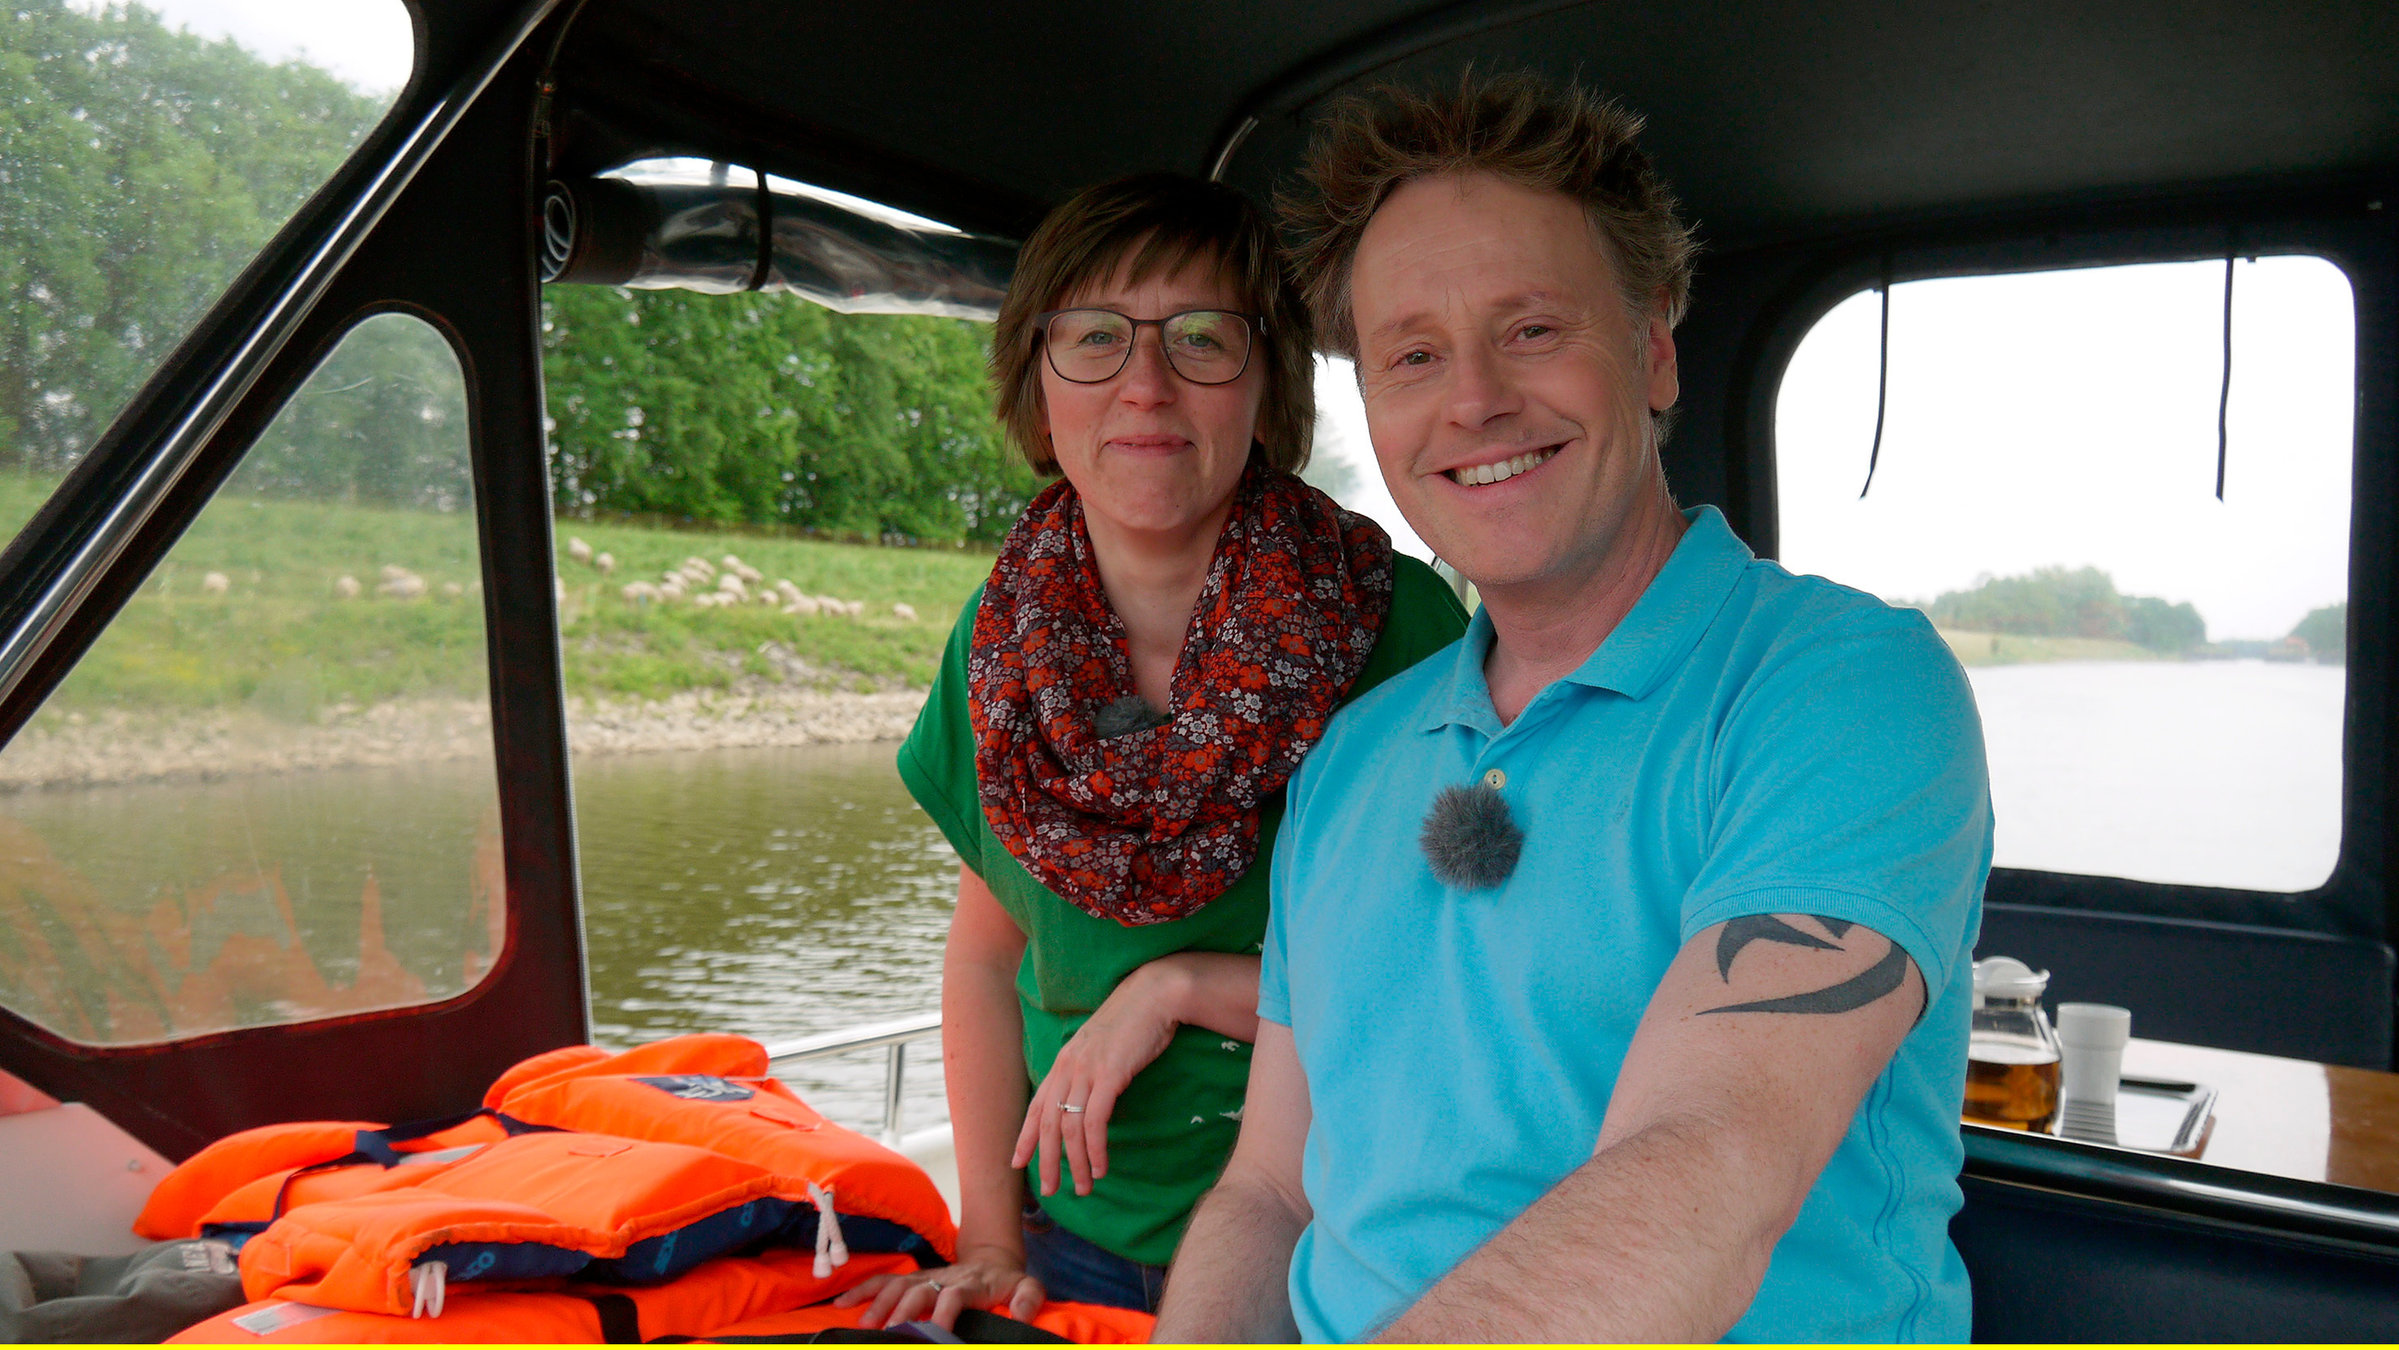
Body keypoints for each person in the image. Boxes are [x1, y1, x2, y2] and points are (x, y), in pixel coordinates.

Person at [1154, 75, 1992, 1343]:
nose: (1473, 400)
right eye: (1413, 355)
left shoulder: (1840, 689)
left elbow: (1706, 1157)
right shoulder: (1349, 760)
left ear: (1653, 347)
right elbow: (1269, 1190)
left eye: (1531, 329)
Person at [842, 173, 1469, 1329]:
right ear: (1038, 380)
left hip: (1337, 1240)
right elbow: (987, 957)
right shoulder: (995, 644)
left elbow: (1460, 969)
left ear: (1266, 380)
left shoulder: (1395, 628)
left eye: (1199, 337)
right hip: (1070, 1243)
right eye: (1092, 337)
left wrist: (1179, 990)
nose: (1143, 383)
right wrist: (988, 1238)